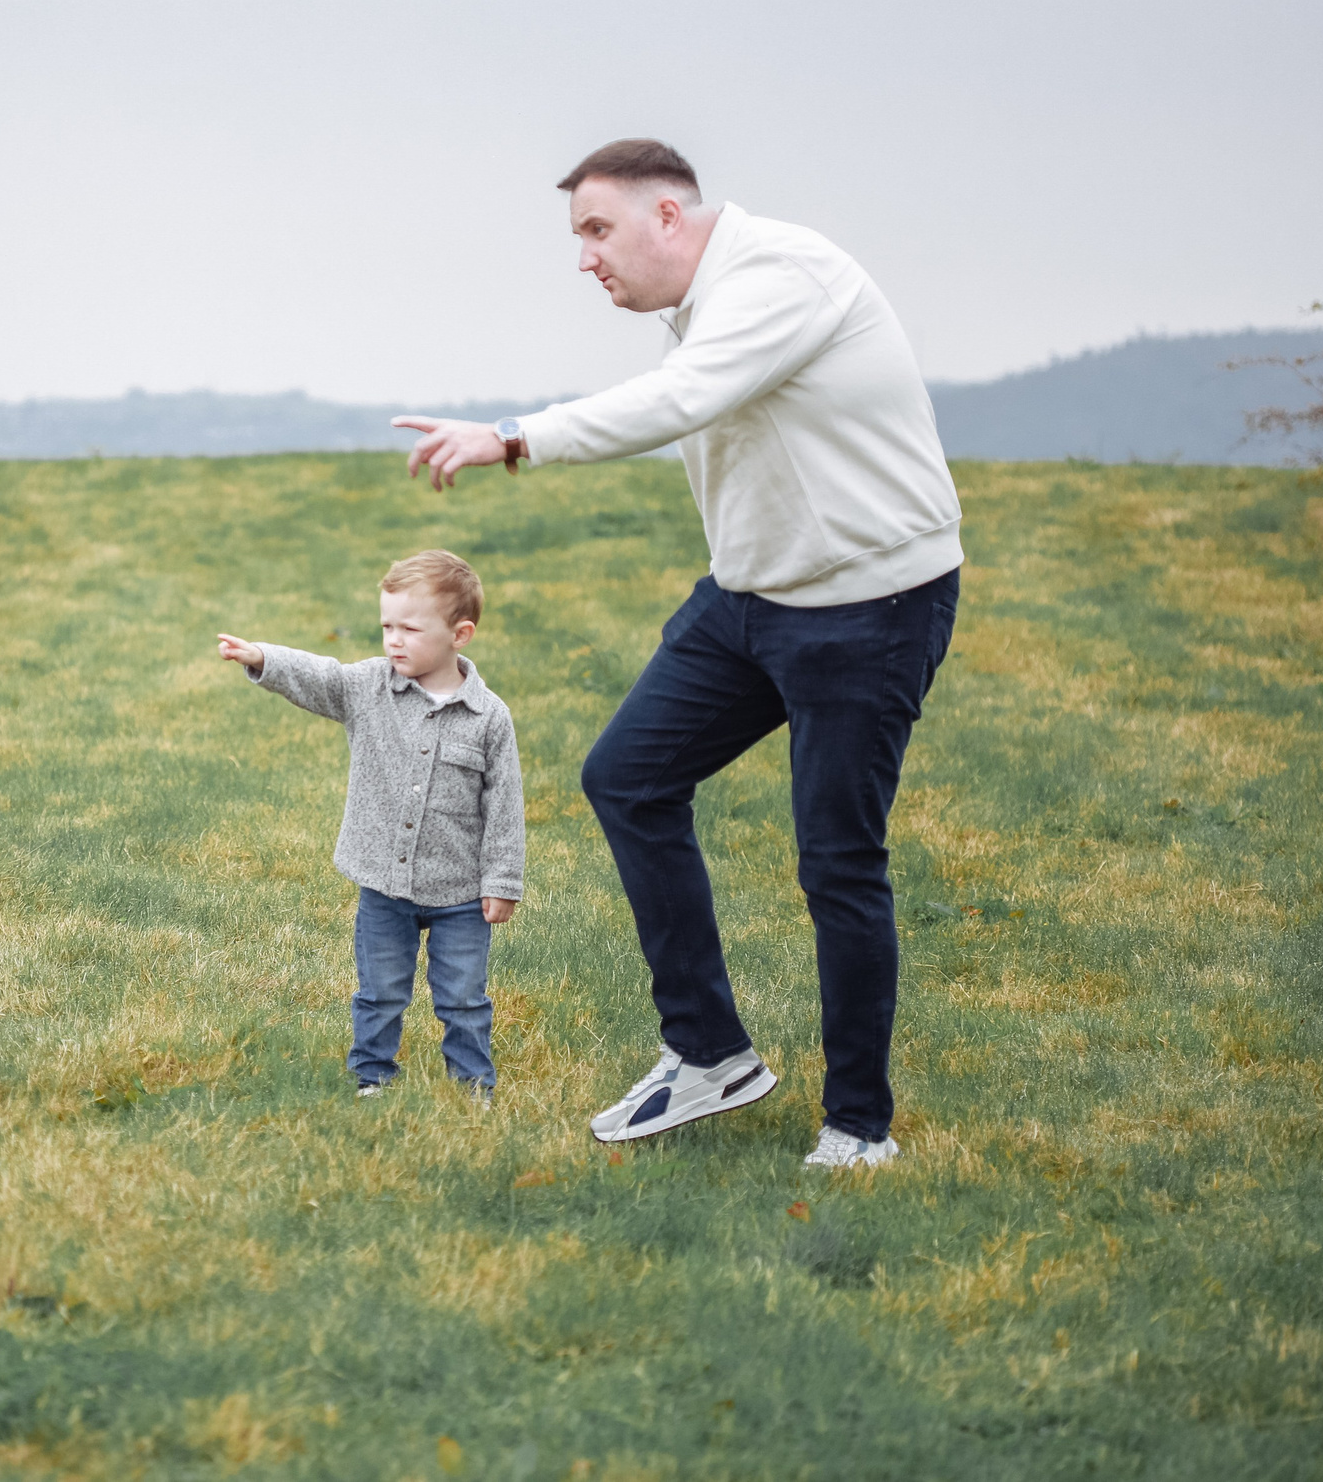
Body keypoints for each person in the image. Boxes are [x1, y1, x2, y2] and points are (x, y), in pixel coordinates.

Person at [394, 139, 960, 1170]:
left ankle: (858, 1128)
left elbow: (679, 402)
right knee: (627, 777)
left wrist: (512, 435)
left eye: (596, 231)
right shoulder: (701, 306)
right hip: (749, 603)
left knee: (837, 860)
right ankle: (708, 1054)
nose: (584, 260)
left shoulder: (781, 278)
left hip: (868, 604)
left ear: (669, 216)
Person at [218, 550, 525, 1096]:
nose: (394, 640)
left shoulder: (489, 717)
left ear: (461, 634)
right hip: (384, 885)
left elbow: (503, 807)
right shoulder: (368, 687)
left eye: (410, 628)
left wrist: (501, 884)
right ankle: (372, 1077)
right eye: (387, 625)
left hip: (460, 893)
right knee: (380, 991)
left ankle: (473, 1085)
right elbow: (322, 676)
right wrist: (266, 659)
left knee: (464, 997)